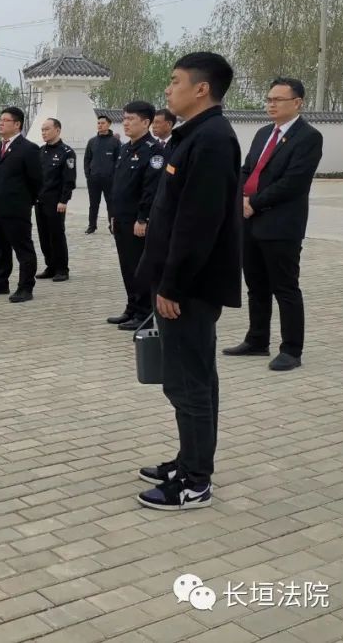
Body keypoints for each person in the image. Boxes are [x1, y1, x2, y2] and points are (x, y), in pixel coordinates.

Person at [134, 52, 241, 511]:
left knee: (189, 383)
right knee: (193, 379)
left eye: (175, 81)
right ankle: (190, 459)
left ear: (202, 88)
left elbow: (197, 224)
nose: (168, 89)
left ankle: (196, 482)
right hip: (182, 281)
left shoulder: (213, 139)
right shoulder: (195, 134)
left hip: (190, 288)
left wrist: (172, 287)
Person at [224, 77, 323, 372]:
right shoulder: (264, 133)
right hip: (250, 222)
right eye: (269, 99)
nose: (271, 104)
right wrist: (240, 198)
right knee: (256, 285)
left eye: (278, 100)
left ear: (297, 103)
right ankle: (257, 340)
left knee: (285, 288)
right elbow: (246, 170)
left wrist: (254, 203)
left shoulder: (309, 137)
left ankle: (292, 349)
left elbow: (293, 183)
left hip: (280, 225)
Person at [106, 101, 163, 331]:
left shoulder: (154, 151)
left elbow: (152, 188)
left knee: (140, 268)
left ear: (146, 122)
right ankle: (131, 308)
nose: (126, 123)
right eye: (125, 118)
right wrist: (112, 215)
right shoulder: (125, 148)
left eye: (131, 119)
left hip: (137, 222)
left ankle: (145, 313)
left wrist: (144, 218)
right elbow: (117, 186)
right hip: (121, 218)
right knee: (127, 266)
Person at [0, 107, 42, 303]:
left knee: (23, 248)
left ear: (17, 124)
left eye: (5, 120)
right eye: (0, 120)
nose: (0, 123)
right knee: (0, 248)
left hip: (17, 208)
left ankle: (26, 286)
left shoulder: (29, 148)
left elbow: (36, 180)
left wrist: (26, 202)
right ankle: (0, 281)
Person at [35, 118, 76, 282]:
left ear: (57, 130)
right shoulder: (40, 151)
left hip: (56, 201)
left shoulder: (67, 152)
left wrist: (64, 200)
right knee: (43, 235)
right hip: (40, 200)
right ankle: (50, 266)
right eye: (42, 130)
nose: (44, 132)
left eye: (47, 129)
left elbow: (69, 179)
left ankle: (62, 268)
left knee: (56, 235)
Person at [84, 115, 119, 234]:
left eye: (102, 123)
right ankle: (92, 226)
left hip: (110, 179)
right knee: (93, 204)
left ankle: (112, 226)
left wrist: (115, 176)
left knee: (111, 204)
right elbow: (87, 159)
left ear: (109, 124)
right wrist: (88, 175)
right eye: (98, 123)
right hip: (94, 178)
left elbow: (119, 161)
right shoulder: (92, 141)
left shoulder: (115, 142)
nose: (100, 125)